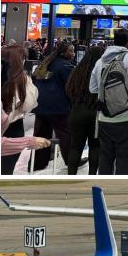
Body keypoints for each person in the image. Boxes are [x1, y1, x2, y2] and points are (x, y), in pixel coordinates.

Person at [89, 28, 128, 175]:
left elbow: (92, 89)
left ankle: (104, 191)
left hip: (104, 119)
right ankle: (120, 192)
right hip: (127, 119)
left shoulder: (101, 60)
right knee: (124, 159)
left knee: (105, 159)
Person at [31, 40, 75, 172]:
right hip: (57, 107)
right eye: (71, 51)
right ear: (63, 52)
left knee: (40, 134)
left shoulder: (45, 63)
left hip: (40, 105)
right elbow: (70, 87)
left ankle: (36, 163)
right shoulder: (66, 66)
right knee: (66, 134)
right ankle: (71, 161)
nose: (73, 54)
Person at [0, 44, 38, 175]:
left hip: (8, 128)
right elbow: (29, 106)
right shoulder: (22, 81)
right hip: (14, 128)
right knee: (6, 169)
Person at [66, 45, 104, 175]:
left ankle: (71, 176)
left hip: (77, 112)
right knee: (95, 147)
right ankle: (92, 176)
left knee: (75, 147)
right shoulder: (102, 71)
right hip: (96, 113)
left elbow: (68, 90)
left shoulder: (77, 71)